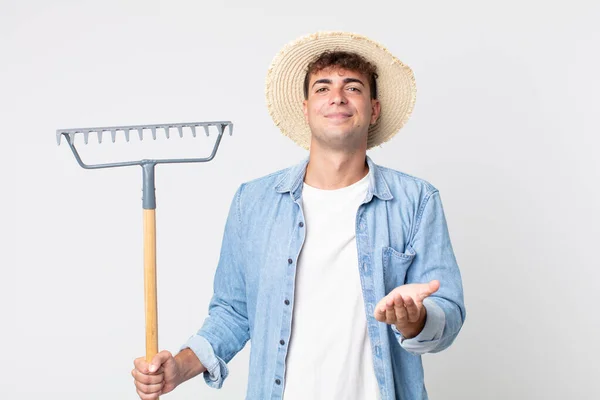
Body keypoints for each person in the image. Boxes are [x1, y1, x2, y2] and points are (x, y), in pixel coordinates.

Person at [131, 31, 466, 400]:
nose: (337, 96)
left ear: (374, 109)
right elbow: (233, 313)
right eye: (322, 88)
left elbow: (446, 313)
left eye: (353, 87)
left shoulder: (415, 201)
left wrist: (414, 319)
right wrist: (179, 367)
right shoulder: (254, 202)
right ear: (306, 108)